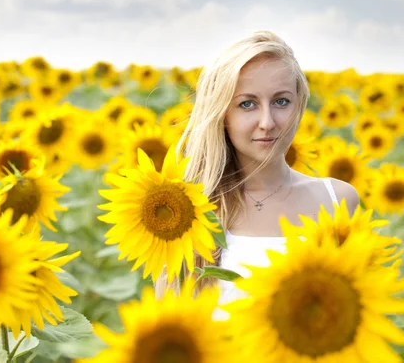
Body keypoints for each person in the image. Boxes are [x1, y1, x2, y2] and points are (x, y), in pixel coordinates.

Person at [154, 30, 360, 301]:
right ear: (222, 113)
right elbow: (169, 318)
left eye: (281, 101)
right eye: (247, 104)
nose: (267, 121)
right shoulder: (186, 211)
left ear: (299, 106)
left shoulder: (338, 201)